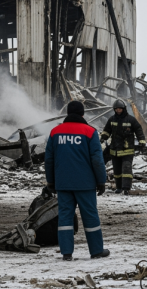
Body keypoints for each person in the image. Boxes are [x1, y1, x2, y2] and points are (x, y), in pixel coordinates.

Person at [45, 101, 110, 261]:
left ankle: (66, 253)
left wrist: (51, 181)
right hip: (85, 183)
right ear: (82, 114)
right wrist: (101, 181)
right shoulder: (89, 132)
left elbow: (49, 159)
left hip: (63, 183)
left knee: (65, 217)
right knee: (90, 216)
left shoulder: (55, 132)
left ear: (67, 113)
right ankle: (96, 251)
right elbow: (97, 159)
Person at [100, 99, 146, 195]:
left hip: (127, 149)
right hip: (115, 150)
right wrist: (103, 138)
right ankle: (119, 187)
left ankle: (126, 188)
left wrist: (141, 141)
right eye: (116, 109)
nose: (118, 111)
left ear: (124, 109)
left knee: (126, 168)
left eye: (120, 109)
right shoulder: (112, 119)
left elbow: (138, 130)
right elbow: (107, 130)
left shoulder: (131, 120)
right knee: (117, 170)